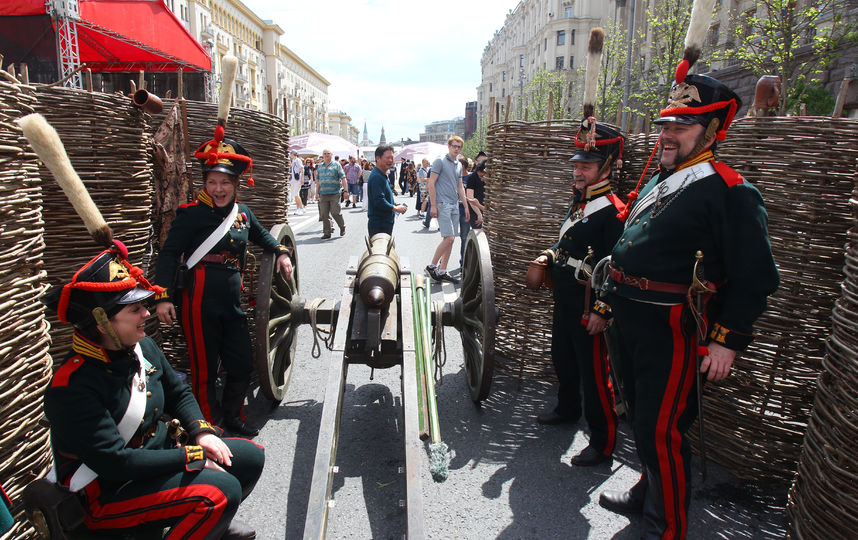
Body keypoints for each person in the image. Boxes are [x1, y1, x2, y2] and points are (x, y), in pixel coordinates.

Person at [595, 73, 779, 537]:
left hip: (674, 328)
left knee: (663, 430)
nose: (667, 135)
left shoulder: (731, 192)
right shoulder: (663, 178)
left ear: (712, 130)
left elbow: (755, 277)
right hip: (631, 317)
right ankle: (646, 492)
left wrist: (727, 341)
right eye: (665, 126)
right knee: (641, 416)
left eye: (681, 126)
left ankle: (667, 526)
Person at [43, 241, 264, 539]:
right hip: (106, 493)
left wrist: (202, 433)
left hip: (152, 460)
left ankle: (209, 527)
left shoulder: (141, 346)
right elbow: (116, 463)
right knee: (218, 493)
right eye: (135, 309)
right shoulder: (72, 386)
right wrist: (194, 454)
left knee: (249, 457)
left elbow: (178, 392)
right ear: (101, 323)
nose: (146, 314)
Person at [154, 135, 294, 436]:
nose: (218, 189)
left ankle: (232, 415)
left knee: (242, 363)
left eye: (225, 183)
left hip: (232, 299)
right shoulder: (190, 215)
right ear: (205, 183)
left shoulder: (242, 214)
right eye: (213, 182)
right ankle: (207, 423)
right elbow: (167, 255)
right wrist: (163, 296)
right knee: (203, 370)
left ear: (235, 185)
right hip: (197, 297)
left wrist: (281, 253)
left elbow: (264, 238)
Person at [530, 122, 625, 469]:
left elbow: (619, 267)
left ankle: (603, 443)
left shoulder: (614, 211)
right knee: (563, 358)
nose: (578, 171)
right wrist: (549, 256)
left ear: (606, 167)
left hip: (591, 302)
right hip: (567, 295)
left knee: (596, 375)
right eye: (576, 165)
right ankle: (568, 410)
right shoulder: (580, 202)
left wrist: (604, 309)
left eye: (585, 166)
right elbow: (565, 243)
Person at [425, 136, 470, 283]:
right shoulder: (440, 161)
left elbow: (460, 187)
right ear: (449, 146)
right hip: (442, 204)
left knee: (450, 240)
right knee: (449, 237)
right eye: (454, 146)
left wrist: (466, 206)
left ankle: (443, 270)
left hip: (454, 204)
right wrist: (433, 205)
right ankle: (431, 266)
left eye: (459, 147)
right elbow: (431, 183)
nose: (456, 149)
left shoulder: (458, 164)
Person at [367, 144, 407, 236]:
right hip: (379, 224)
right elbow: (379, 201)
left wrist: (393, 203)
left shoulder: (381, 174)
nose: (390, 160)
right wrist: (395, 208)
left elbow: (382, 197)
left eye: (392, 158)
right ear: (378, 158)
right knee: (381, 250)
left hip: (384, 223)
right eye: (387, 158)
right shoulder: (377, 177)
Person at [314, 149, 348, 239]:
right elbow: (318, 181)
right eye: (324, 154)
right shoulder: (320, 167)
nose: (326, 155)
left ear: (331, 155)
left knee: (335, 212)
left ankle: (342, 226)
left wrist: (346, 191)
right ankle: (327, 232)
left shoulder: (336, 165)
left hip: (334, 193)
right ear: (322, 155)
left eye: (328, 153)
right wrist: (316, 193)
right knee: (324, 214)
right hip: (323, 194)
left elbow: (343, 178)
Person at [289, 150, 305, 215]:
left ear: (293, 154)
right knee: (295, 194)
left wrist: (302, 178)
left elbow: (302, 169)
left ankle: (300, 208)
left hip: (297, 179)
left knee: (296, 194)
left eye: (290, 153)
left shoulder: (298, 160)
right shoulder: (293, 161)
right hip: (293, 180)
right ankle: (299, 207)